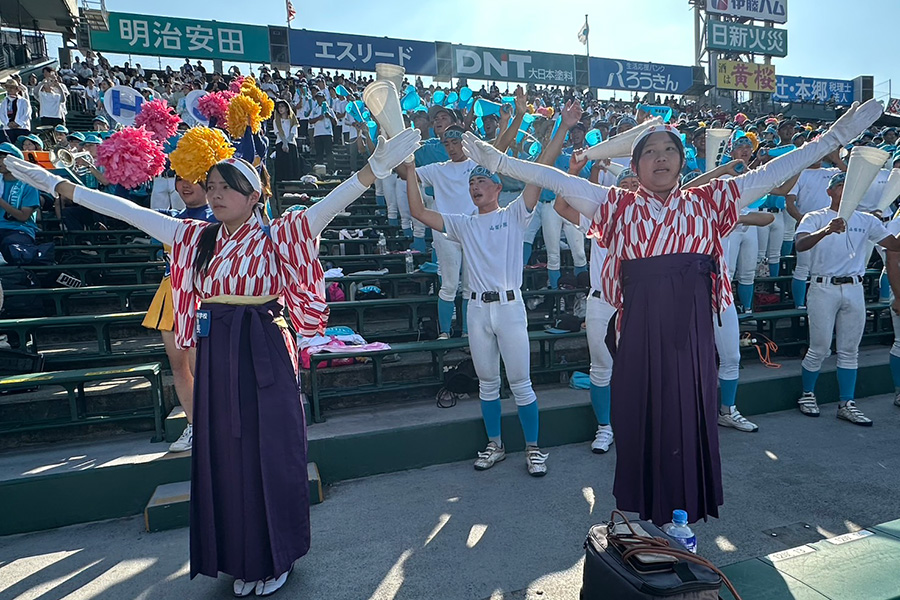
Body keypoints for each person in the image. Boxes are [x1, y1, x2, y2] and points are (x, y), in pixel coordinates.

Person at [4, 126, 421, 596]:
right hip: (217, 349)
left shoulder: (282, 232)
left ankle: (273, 556)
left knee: (271, 451)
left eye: (228, 187)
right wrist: (61, 187)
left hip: (263, 345)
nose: (216, 194)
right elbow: (128, 211)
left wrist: (375, 168)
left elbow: (332, 203)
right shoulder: (195, 237)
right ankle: (238, 556)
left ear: (254, 195)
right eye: (214, 186)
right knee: (225, 454)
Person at [460, 99, 882, 524]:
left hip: (691, 328)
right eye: (648, 151)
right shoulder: (615, 204)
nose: (659, 157)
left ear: (681, 161)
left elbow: (771, 173)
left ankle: (682, 516)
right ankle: (640, 510)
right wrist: (500, 161)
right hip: (638, 326)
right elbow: (550, 177)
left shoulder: (710, 199)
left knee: (688, 415)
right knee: (640, 416)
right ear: (636, 164)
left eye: (669, 150)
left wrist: (833, 138)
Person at [404, 158, 549, 476]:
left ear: (498, 188)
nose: (475, 186)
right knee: (487, 383)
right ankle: (495, 445)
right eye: (471, 183)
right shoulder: (464, 223)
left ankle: (534, 448)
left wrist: (563, 127)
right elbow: (419, 213)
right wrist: (412, 168)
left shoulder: (513, 214)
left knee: (521, 383)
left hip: (510, 306)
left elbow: (539, 174)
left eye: (482, 181)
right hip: (478, 309)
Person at [794, 171, 900, 425]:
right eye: (841, 186)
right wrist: (826, 231)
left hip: (853, 287)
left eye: (850, 186)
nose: (846, 191)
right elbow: (800, 244)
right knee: (819, 347)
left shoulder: (865, 219)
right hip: (823, 286)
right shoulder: (816, 216)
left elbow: (893, 245)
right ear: (829, 191)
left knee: (850, 349)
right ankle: (807, 394)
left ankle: (847, 402)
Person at [143, 175, 218, 453]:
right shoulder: (171, 217)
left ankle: (221, 423)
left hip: (207, 294)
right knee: (179, 366)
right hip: (171, 294)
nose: (186, 186)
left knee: (206, 366)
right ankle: (194, 425)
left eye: (195, 180)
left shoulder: (220, 216)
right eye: (180, 179)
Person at [0, 144, 42, 263]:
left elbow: (23, 216)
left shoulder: (28, 184)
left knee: (11, 247)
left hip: (19, 230)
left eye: (2, 157)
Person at [273, 99, 302, 181]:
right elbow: (278, 132)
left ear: (287, 108)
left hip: (291, 144)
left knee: (292, 167)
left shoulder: (292, 120)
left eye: (282, 106)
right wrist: (284, 143)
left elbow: (293, 133)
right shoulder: (276, 121)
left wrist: (287, 143)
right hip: (280, 144)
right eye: (279, 107)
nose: (280, 108)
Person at [308, 90, 336, 173]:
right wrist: (318, 118)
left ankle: (332, 170)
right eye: (317, 98)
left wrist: (330, 116)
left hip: (327, 134)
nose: (319, 100)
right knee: (319, 154)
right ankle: (320, 171)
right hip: (318, 134)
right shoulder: (314, 109)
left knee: (329, 153)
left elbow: (336, 122)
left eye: (320, 98)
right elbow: (310, 121)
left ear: (324, 98)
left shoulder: (329, 109)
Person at [1, 79, 32, 144]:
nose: (9, 89)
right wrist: (8, 123)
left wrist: (18, 123)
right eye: (7, 87)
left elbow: (27, 114)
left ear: (16, 89)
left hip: (22, 128)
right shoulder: (4, 101)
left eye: (12, 87)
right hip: (8, 129)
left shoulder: (23, 101)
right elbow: (2, 114)